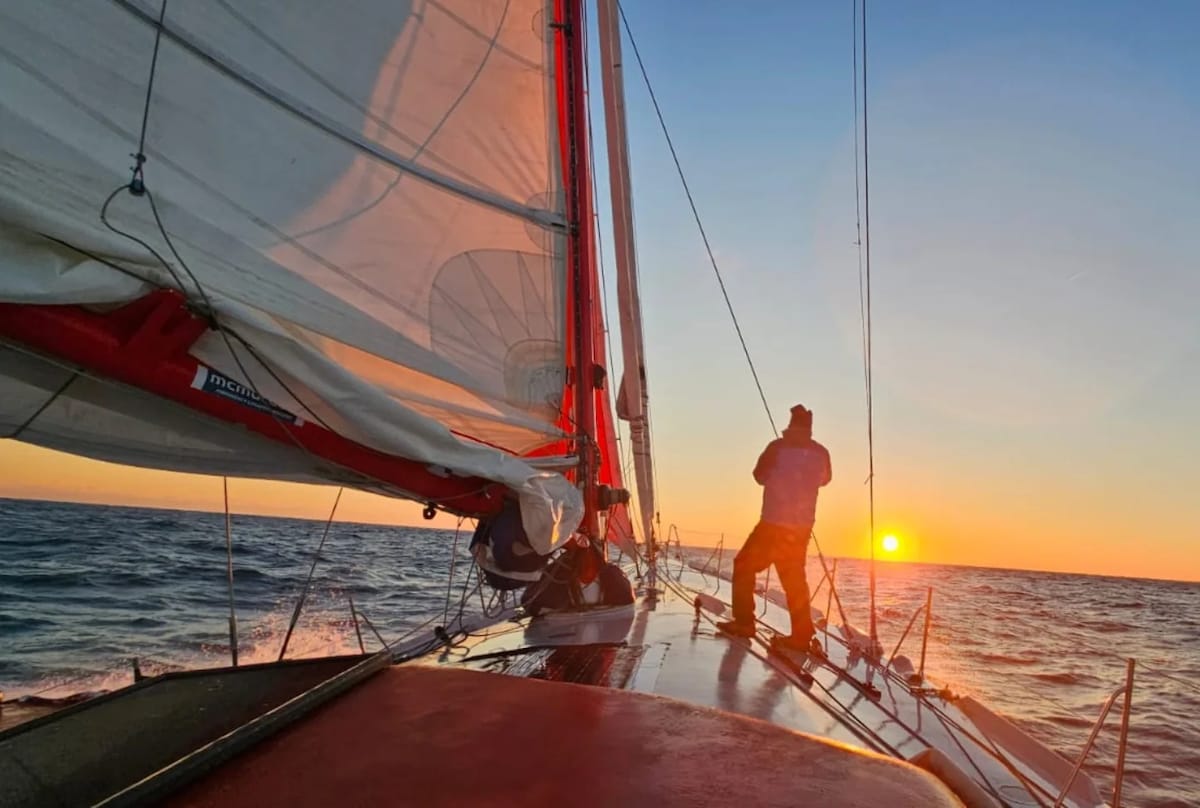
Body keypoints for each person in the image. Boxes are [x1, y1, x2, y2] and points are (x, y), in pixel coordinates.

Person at [717, 404, 831, 652]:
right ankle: (801, 635)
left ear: (791, 425)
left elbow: (759, 476)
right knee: (794, 581)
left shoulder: (777, 447)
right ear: (809, 428)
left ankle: (745, 623)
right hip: (800, 529)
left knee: (744, 565)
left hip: (772, 524)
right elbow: (825, 479)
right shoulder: (821, 452)